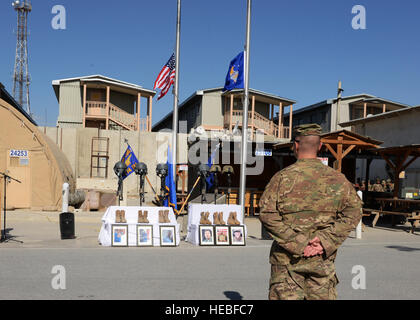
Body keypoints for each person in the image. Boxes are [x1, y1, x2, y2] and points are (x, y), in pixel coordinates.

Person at [259, 124, 363, 301]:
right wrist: (324, 241)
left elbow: (267, 213)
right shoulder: (338, 179)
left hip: (286, 261)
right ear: (320, 146)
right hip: (321, 260)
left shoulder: (282, 178)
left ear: (296, 145)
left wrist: (297, 243)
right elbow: (354, 211)